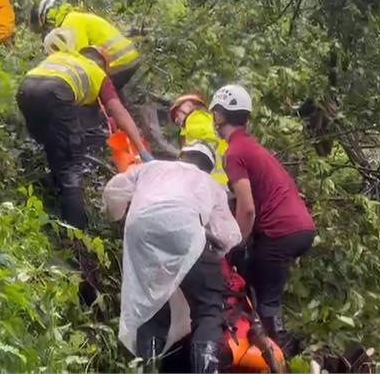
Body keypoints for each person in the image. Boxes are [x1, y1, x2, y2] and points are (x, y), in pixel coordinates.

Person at [102, 143, 241, 373]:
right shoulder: (210, 184)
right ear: (207, 167)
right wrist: (211, 254)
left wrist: (117, 216)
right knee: (207, 308)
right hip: (185, 232)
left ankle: (147, 367)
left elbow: (113, 190)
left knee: (151, 304)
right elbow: (228, 235)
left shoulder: (151, 167)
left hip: (141, 232)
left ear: (181, 157)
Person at [210, 84, 315, 351]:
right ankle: (268, 347)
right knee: (253, 280)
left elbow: (247, 208)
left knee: (267, 301)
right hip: (298, 228)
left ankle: (278, 359)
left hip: (281, 232)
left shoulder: (234, 152)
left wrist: (235, 244)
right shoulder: (249, 146)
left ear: (220, 115)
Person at [16, 31, 151, 229]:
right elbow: (117, 111)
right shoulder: (97, 73)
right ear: (103, 64)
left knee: (52, 147)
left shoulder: (65, 58)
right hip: (57, 93)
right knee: (70, 165)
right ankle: (76, 233)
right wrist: (142, 149)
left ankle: (45, 196)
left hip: (26, 89)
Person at [33, 0, 140, 91]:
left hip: (118, 63)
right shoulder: (76, 16)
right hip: (128, 58)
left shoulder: (70, 22)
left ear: (49, 19)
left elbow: (78, 58)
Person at [169, 94, 229, 185]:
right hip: (222, 183)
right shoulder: (211, 120)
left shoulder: (196, 119)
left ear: (190, 106)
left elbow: (197, 154)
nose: (177, 119)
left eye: (178, 113)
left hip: (211, 184)